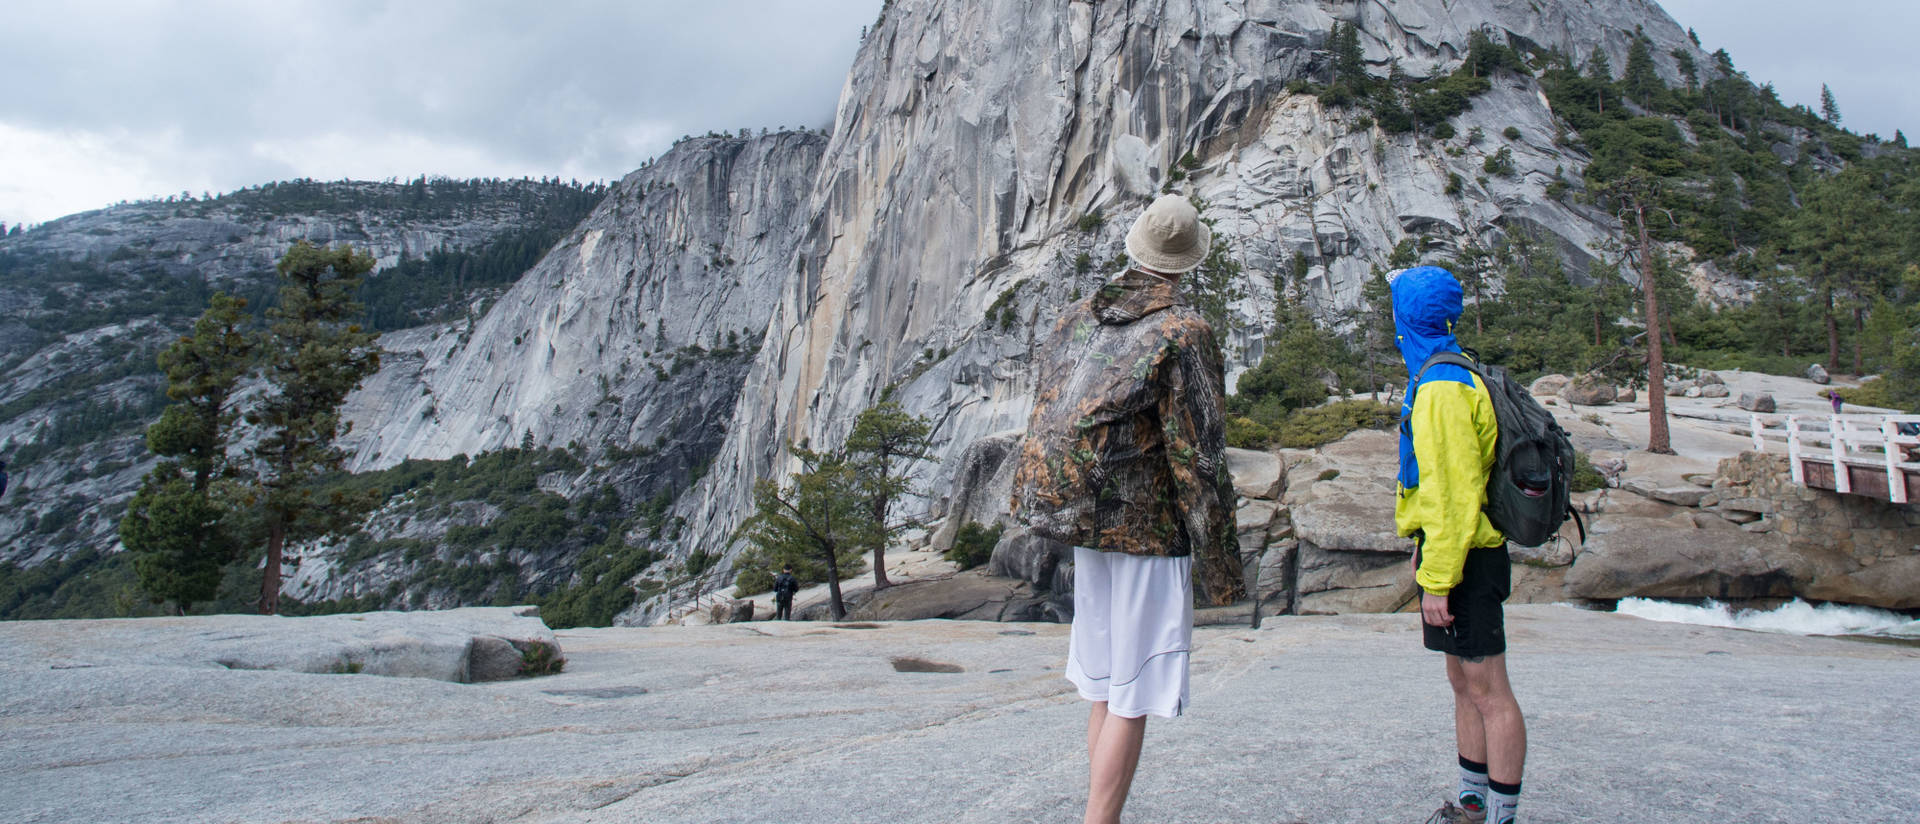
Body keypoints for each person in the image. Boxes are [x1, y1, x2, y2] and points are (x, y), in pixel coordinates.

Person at [1010, 194, 1239, 824]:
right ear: (1187, 263)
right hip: (1145, 533)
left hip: (1082, 518)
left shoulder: (1077, 315)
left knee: (1106, 685)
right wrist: (1222, 570)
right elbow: (1201, 457)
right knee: (1133, 693)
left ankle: (1095, 811)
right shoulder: (1182, 330)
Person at [1390, 266, 1527, 824]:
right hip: (1453, 549)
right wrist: (1425, 546)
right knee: (1462, 680)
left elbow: (1453, 493)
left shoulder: (1442, 387)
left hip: (1467, 558)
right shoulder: (1442, 369)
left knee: (1488, 687)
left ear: (1409, 318)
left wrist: (1437, 580)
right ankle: (1473, 803)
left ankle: (1500, 815)